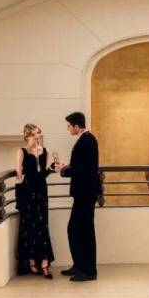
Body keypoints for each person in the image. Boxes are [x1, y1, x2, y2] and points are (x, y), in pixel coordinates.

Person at [54, 112, 102, 282]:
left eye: (69, 126)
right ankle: (79, 265)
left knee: (84, 230)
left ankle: (89, 271)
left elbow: (81, 170)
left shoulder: (87, 141)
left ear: (76, 126)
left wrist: (63, 170)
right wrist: (67, 167)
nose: (68, 129)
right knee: (75, 229)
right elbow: (81, 165)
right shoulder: (86, 140)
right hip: (84, 192)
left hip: (86, 193)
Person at [15, 123, 55, 279]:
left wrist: (51, 169)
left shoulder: (44, 151)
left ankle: (45, 263)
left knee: (43, 224)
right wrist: (19, 199)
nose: (37, 137)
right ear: (27, 136)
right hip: (28, 191)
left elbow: (43, 174)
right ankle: (32, 261)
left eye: (38, 133)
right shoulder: (22, 151)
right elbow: (19, 176)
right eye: (33, 134)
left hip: (41, 191)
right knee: (29, 225)